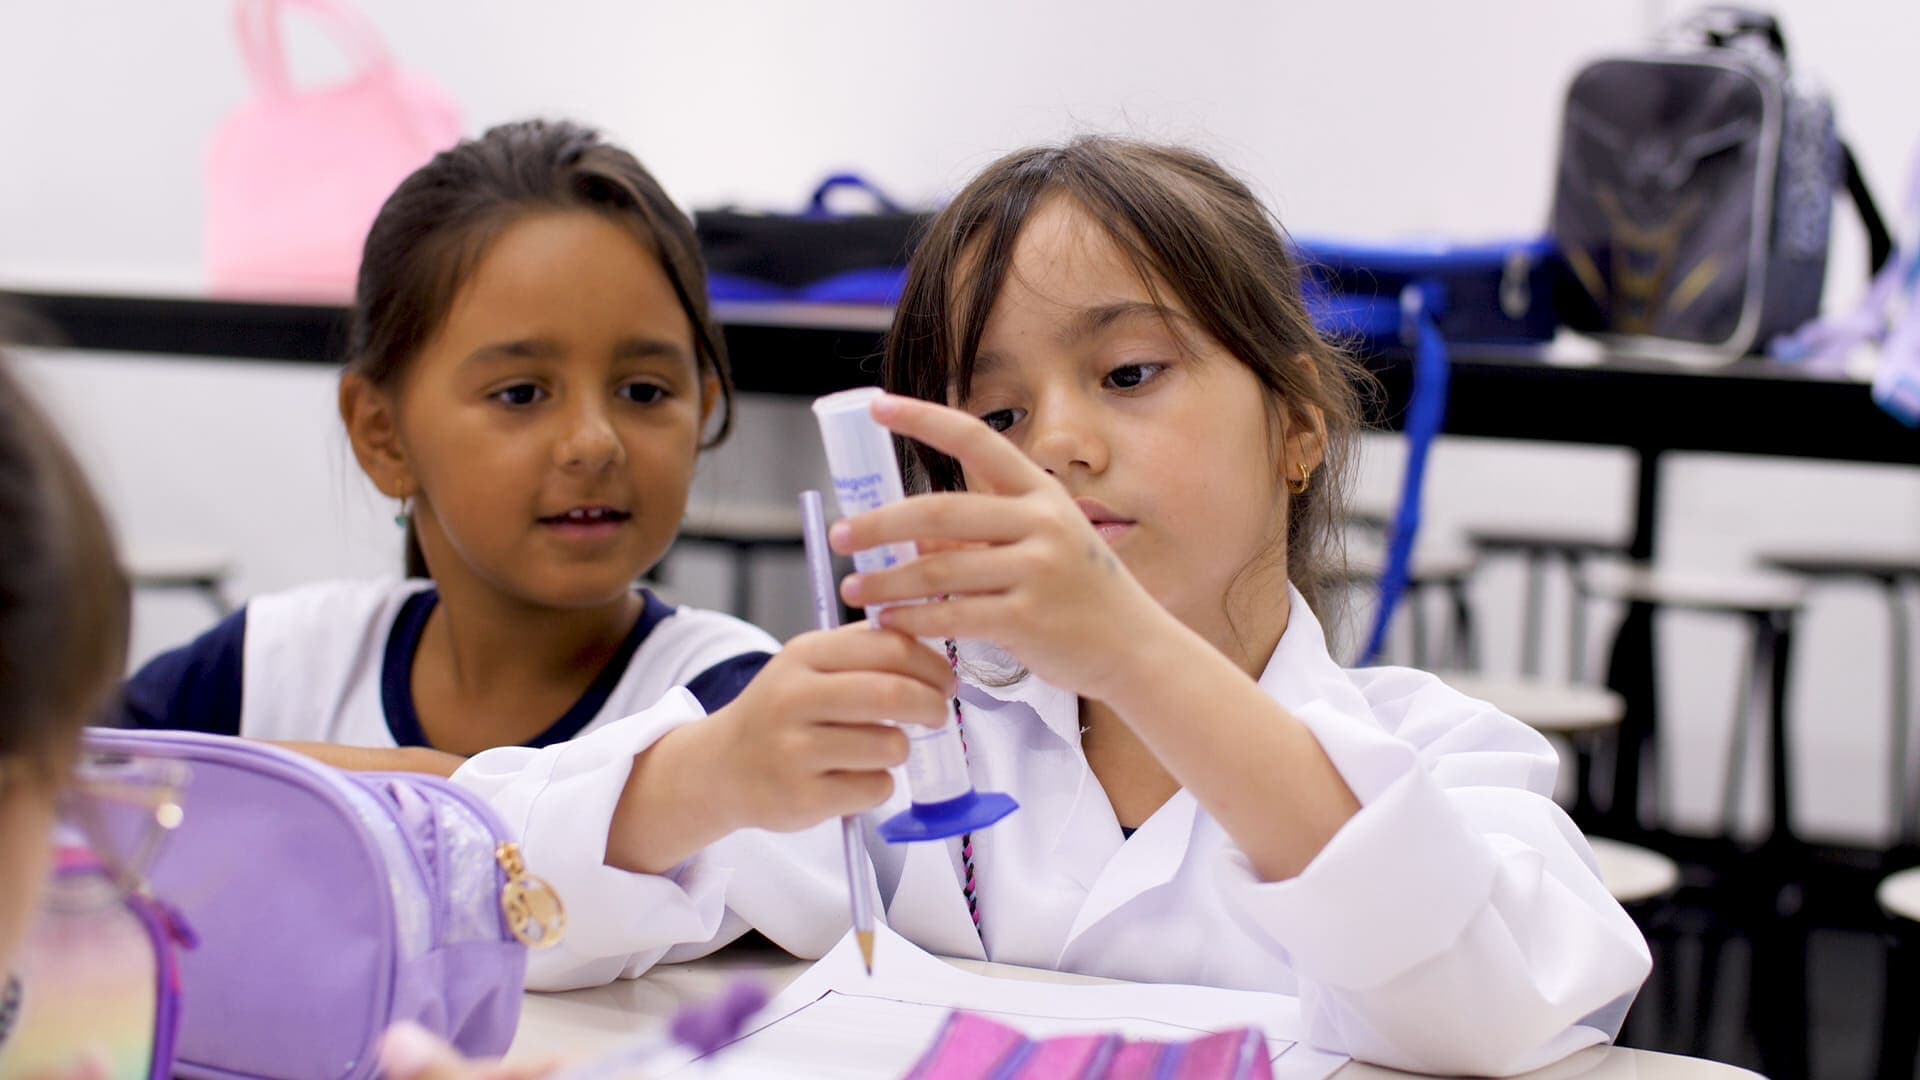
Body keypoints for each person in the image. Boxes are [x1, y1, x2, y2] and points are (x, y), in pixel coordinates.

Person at [456, 137, 1651, 1075]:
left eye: (1130, 374)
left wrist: (1134, 652)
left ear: (1296, 424)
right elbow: (480, 889)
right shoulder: (916, 742)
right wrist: (712, 773)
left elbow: (1492, 1013)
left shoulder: (1443, 759)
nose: (1062, 446)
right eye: (1000, 416)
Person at [116, 120, 777, 770]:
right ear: (384, 436)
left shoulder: (735, 710)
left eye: (643, 392)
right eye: (521, 394)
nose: (593, 444)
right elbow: (53, 780)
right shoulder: (272, 667)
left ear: (703, 413)